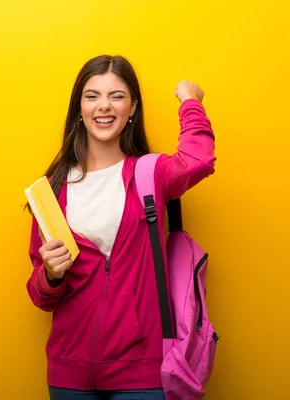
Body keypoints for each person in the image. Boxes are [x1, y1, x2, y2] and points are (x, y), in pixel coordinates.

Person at [26, 54, 216, 400]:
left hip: (142, 373)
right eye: (92, 95)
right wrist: (51, 274)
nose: (104, 106)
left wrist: (190, 102)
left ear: (132, 109)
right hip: (68, 374)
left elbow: (199, 161)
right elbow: (40, 294)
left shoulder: (149, 174)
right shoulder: (52, 189)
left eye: (117, 96)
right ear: (79, 109)